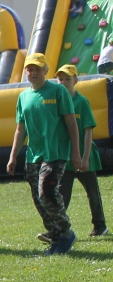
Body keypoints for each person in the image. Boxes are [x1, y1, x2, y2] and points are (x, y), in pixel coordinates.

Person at [6, 53, 82, 255]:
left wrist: (76, 152)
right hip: (34, 155)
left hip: (55, 152)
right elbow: (20, 129)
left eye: (37, 69)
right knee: (38, 198)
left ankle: (66, 231)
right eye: (29, 69)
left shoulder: (57, 91)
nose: (32, 73)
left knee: (45, 192)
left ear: (45, 70)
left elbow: (71, 123)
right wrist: (13, 155)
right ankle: (56, 238)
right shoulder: (23, 96)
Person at [55, 64, 108, 237]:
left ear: (76, 80)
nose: (64, 82)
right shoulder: (56, 102)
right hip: (66, 156)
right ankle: (58, 227)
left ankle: (100, 226)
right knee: (62, 194)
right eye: (60, 79)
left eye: (68, 79)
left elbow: (88, 131)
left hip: (85, 154)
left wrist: (85, 158)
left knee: (92, 193)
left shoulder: (82, 102)